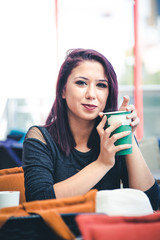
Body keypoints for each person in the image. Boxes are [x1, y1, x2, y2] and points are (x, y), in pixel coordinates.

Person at [22, 48, 160, 210]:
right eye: (81, 83)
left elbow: (151, 203)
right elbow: (37, 202)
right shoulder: (40, 137)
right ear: (63, 90)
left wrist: (127, 133)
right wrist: (102, 163)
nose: (91, 94)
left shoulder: (112, 136)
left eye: (101, 85)